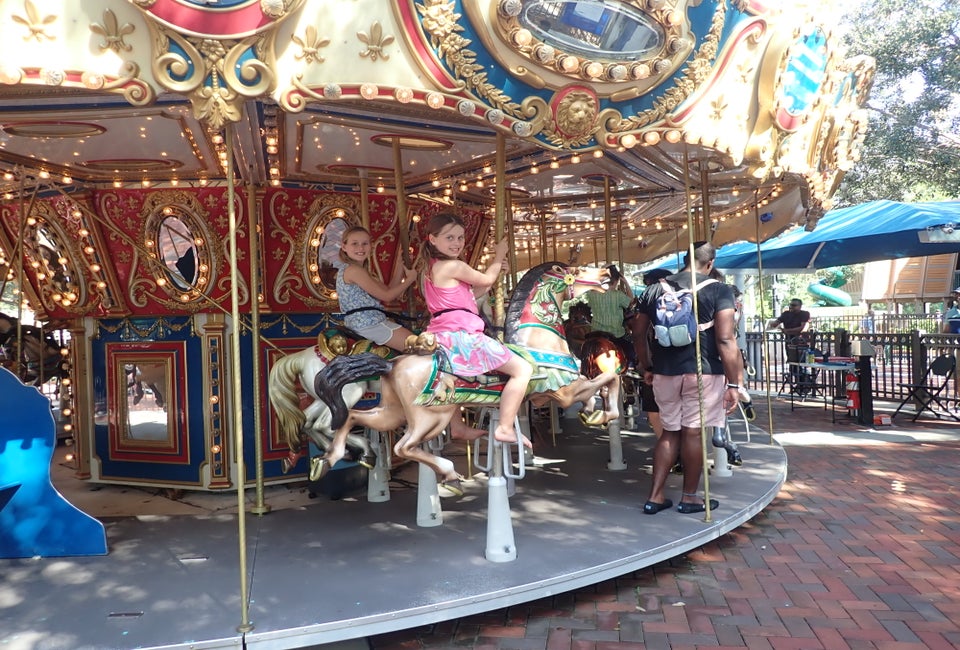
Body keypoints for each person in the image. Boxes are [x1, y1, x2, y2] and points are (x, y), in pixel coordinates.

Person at [632, 241, 742, 515]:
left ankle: (655, 496)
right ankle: (690, 497)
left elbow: (638, 333)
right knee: (693, 433)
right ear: (710, 263)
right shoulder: (719, 290)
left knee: (669, 433)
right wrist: (734, 383)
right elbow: (726, 338)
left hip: (664, 371)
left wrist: (646, 365)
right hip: (703, 371)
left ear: (684, 260)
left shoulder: (655, 288)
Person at [422, 213, 533, 448]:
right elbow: (483, 280)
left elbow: (471, 297)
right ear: (432, 239)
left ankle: (458, 426)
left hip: (441, 335)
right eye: (449, 237)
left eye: (460, 237)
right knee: (522, 369)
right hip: (462, 337)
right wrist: (499, 254)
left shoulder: (431, 269)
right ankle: (505, 427)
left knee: (452, 381)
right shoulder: (452, 265)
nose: (456, 242)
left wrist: (495, 271)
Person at [580, 264, 635, 365]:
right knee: (631, 351)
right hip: (615, 334)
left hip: (596, 333)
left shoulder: (592, 294)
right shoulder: (618, 295)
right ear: (616, 280)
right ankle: (630, 367)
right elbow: (631, 301)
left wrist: (602, 271)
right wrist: (626, 282)